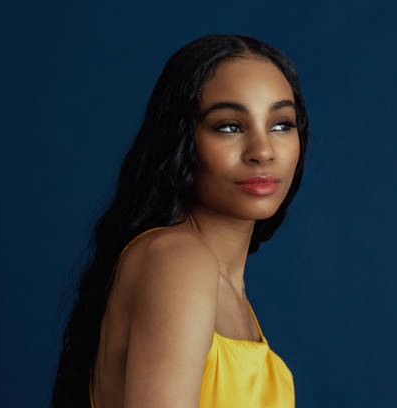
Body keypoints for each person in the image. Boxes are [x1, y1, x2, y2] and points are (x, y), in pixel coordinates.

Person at [51, 34, 309, 408]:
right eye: (229, 126)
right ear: (182, 139)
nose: (263, 151)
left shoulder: (217, 284)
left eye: (282, 124)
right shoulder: (179, 260)